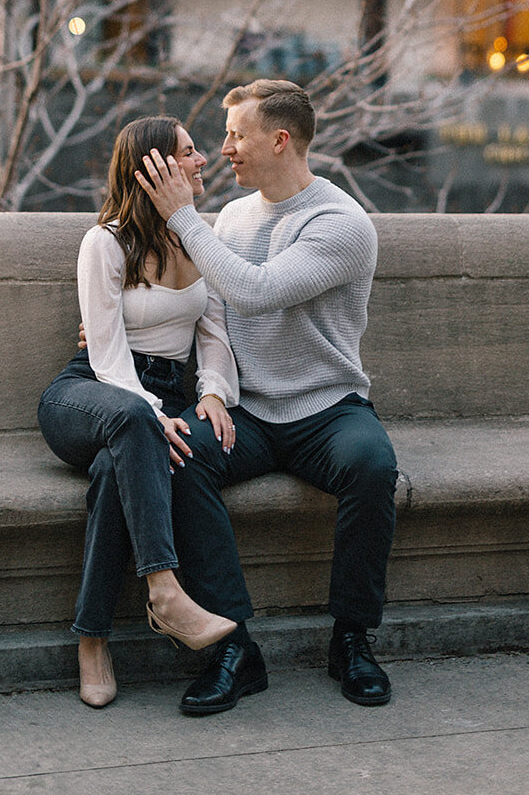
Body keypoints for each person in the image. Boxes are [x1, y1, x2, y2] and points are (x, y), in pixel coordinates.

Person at [134, 78, 398, 716]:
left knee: (373, 466)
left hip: (326, 410)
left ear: (281, 140)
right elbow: (213, 313)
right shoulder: (233, 216)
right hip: (245, 410)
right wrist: (211, 388)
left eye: (236, 134)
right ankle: (233, 646)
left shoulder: (341, 224)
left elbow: (252, 290)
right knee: (177, 456)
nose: (223, 148)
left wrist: (181, 219)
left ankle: (353, 638)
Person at [38, 116, 239, 707]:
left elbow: (215, 332)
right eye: (187, 152)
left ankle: (92, 639)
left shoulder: (201, 240)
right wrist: (151, 412)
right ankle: (165, 591)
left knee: (112, 473)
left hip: (165, 395)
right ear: (153, 169)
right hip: (90, 394)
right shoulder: (106, 241)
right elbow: (105, 355)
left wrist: (210, 393)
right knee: (132, 422)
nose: (202, 160)